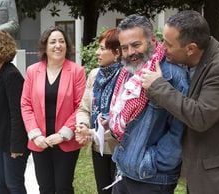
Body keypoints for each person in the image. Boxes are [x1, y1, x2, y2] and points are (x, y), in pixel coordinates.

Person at [141, 10, 219, 194]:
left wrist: (158, 86)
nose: (163, 48)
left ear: (191, 48)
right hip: (204, 172)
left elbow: (200, 116)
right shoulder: (191, 60)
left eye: (168, 44)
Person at [101, 15, 189, 194]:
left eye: (136, 45)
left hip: (152, 178)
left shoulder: (172, 75)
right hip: (124, 170)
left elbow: (180, 129)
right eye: (124, 48)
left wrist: (153, 161)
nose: (130, 52)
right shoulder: (128, 72)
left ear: (152, 41)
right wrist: (112, 121)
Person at [21, 26, 86, 194]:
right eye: (53, 42)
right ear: (45, 46)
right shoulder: (32, 71)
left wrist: (63, 134)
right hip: (40, 141)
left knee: (63, 187)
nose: (58, 45)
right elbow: (26, 104)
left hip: (65, 141)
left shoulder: (77, 71)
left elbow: (81, 106)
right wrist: (35, 135)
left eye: (62, 41)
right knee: (45, 188)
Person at [75, 28, 122, 194]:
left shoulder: (127, 77)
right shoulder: (95, 75)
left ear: (117, 53)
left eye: (102, 48)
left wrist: (93, 132)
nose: (97, 52)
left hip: (120, 148)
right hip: (98, 148)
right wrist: (82, 125)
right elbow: (84, 108)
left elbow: (123, 120)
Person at [0, 30, 29, 194]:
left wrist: (16, 146)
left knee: (13, 184)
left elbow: (17, 114)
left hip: (12, 142)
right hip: (0, 139)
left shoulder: (11, 75)